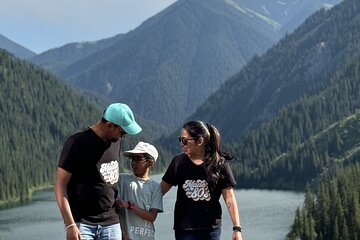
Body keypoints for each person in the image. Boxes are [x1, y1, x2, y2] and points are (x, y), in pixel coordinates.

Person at [54, 103, 142, 240]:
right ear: (110, 125)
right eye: (122, 132)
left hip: (111, 223)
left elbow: (109, 183)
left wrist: (120, 228)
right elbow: (60, 184)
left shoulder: (115, 141)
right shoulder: (77, 142)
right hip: (83, 224)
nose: (123, 136)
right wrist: (70, 224)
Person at [160, 120, 244, 240]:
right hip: (184, 231)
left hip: (211, 230)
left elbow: (229, 198)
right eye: (180, 139)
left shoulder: (219, 164)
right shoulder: (178, 163)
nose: (181, 144)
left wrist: (237, 228)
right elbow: (160, 191)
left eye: (185, 140)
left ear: (200, 141)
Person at [116, 141, 163, 240]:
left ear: (150, 162)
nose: (133, 163)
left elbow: (151, 216)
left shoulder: (155, 187)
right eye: (132, 159)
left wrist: (130, 206)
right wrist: (121, 232)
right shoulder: (122, 179)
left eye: (138, 159)